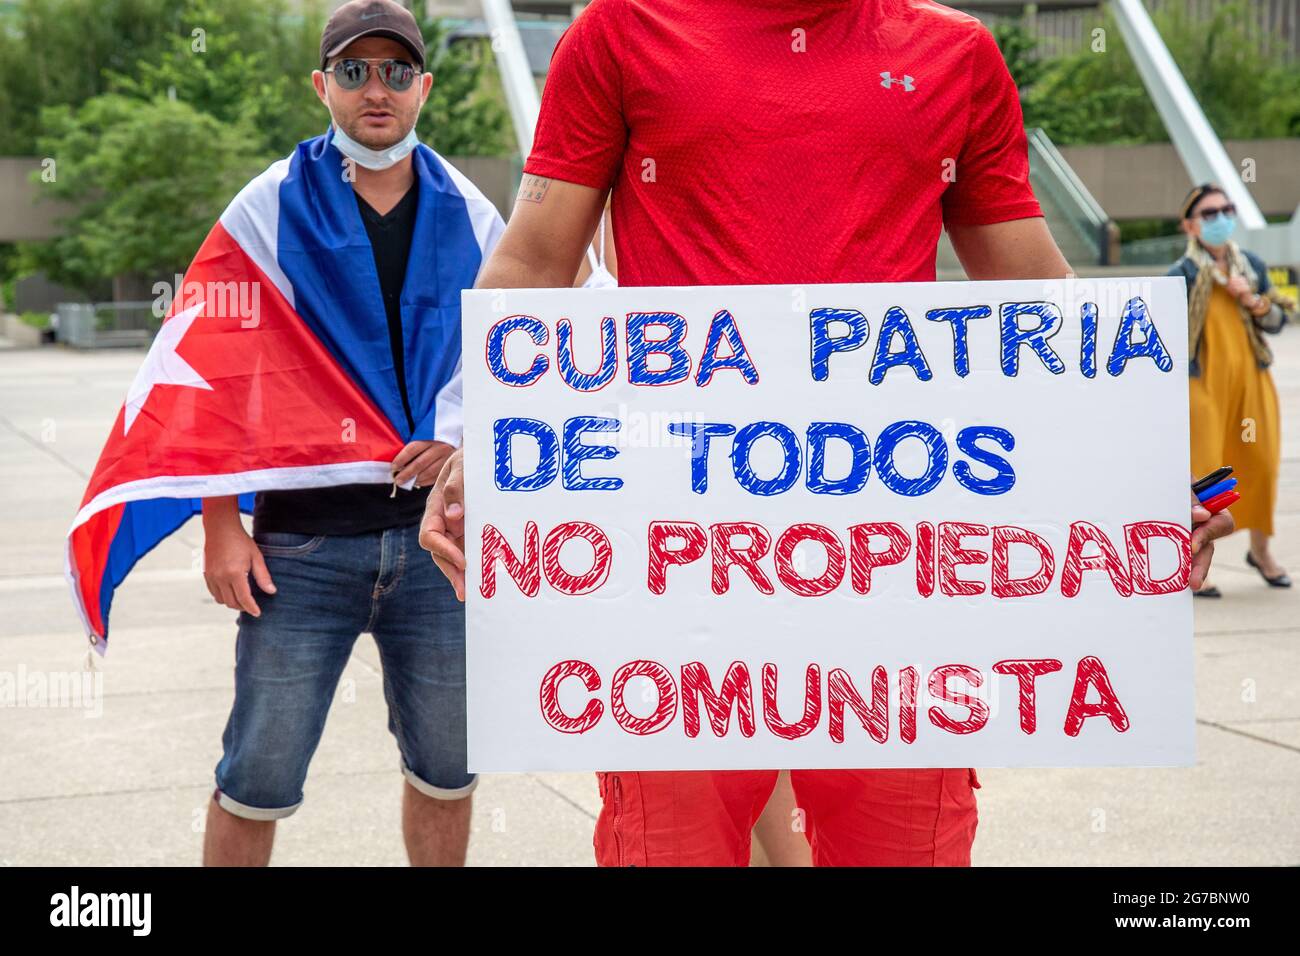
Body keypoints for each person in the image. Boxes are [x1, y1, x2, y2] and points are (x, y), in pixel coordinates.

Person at [421, 0, 1233, 866]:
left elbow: (1034, 293)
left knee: (902, 847)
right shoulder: (622, 33)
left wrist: (1132, 464)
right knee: (670, 847)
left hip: (892, 558)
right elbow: (535, 262)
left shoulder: (956, 54)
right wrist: (489, 441)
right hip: (673, 550)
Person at [201, 0, 504, 866]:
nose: (378, 89)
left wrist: (466, 443)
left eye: (397, 71)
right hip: (301, 547)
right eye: (355, 71)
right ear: (322, 85)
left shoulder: (474, 212)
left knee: (450, 769)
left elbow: (527, 352)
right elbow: (209, 366)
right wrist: (223, 522)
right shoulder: (266, 206)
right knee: (255, 774)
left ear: (425, 87)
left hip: (435, 541)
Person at [1172, 183, 1293, 597]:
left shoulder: (1251, 264)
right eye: (1209, 213)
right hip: (1201, 382)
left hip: (1250, 378)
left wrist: (1255, 301)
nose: (1221, 218)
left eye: (1227, 209)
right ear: (1190, 225)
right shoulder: (1181, 274)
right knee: (1206, 476)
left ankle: (1260, 552)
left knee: (1260, 465)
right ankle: (1194, 559)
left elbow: (1278, 320)